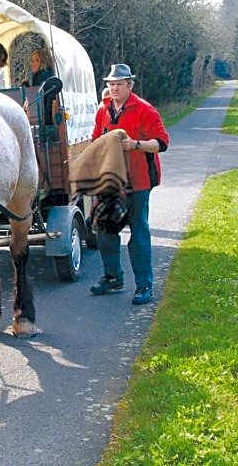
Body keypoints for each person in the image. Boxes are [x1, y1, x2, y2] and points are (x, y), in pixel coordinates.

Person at [89, 63, 169, 305]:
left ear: (130, 85)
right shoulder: (103, 109)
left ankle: (145, 286)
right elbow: (95, 139)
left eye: (119, 84)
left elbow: (162, 143)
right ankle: (113, 278)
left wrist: (135, 144)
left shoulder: (145, 110)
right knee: (105, 230)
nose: (114, 88)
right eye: (111, 84)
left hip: (138, 181)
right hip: (112, 181)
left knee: (139, 234)